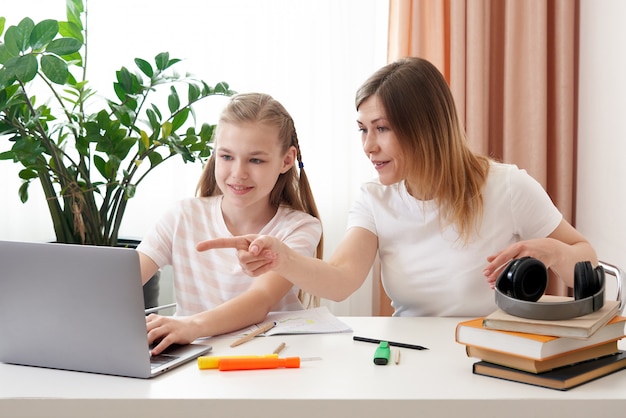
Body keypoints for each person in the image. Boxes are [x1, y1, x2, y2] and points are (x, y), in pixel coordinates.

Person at [197, 57, 597, 318]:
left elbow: (587, 262)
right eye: (363, 130)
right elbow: (340, 279)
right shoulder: (375, 199)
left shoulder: (507, 186)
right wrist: (281, 258)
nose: (369, 146)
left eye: (382, 129)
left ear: (424, 126)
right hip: (412, 357)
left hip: (493, 355)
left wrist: (548, 250)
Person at [138, 92, 323, 354]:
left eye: (256, 160)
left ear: (286, 160)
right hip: (194, 361)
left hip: (272, 359)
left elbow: (260, 300)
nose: (238, 173)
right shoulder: (182, 216)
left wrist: (190, 325)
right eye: (226, 157)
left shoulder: (299, 227)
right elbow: (123, 279)